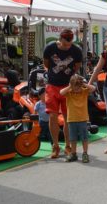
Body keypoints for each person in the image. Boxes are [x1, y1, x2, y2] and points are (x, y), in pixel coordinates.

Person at [43, 28, 82, 159]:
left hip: (68, 87)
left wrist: (69, 78)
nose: (67, 47)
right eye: (65, 44)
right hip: (52, 86)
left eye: (70, 44)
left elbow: (76, 67)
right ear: (60, 39)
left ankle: (68, 146)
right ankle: (55, 146)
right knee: (53, 116)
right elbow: (47, 64)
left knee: (67, 118)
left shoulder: (76, 51)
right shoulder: (50, 48)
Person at [60, 74, 95, 163]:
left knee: (84, 138)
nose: (77, 90)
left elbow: (93, 88)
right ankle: (73, 153)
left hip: (82, 119)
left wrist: (83, 84)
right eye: (75, 88)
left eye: (78, 87)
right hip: (71, 119)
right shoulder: (69, 93)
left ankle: (85, 153)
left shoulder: (84, 91)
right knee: (73, 138)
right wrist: (70, 86)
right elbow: (61, 92)